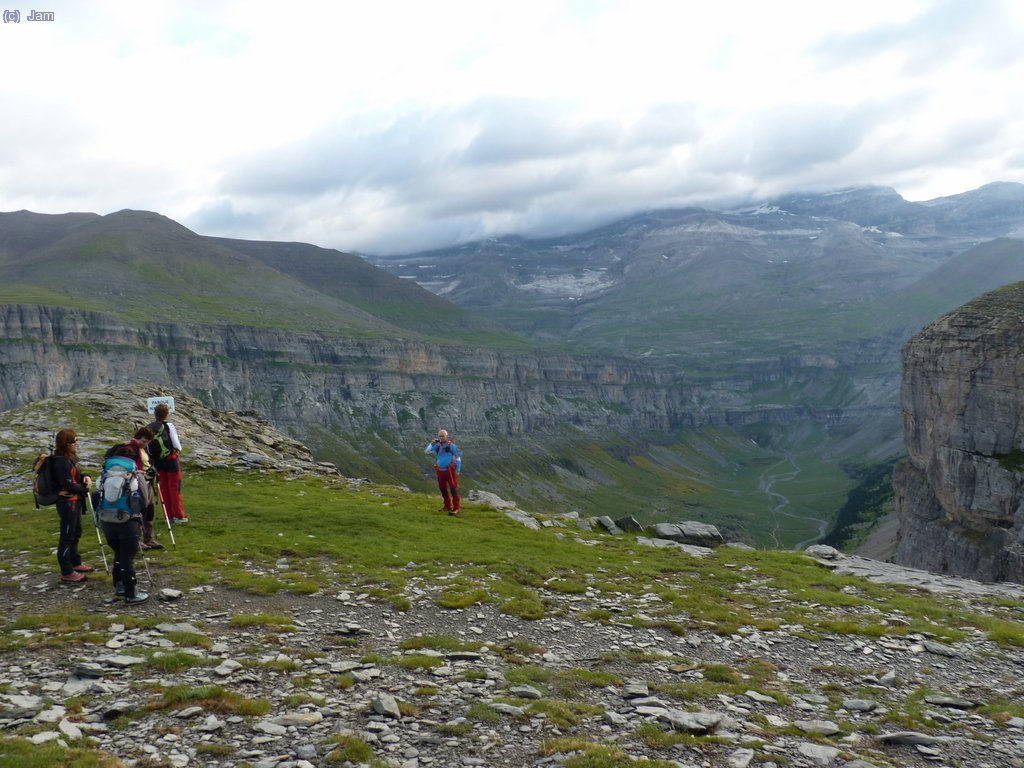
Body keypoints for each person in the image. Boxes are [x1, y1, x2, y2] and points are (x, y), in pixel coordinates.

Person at [98, 443, 151, 604]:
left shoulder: (104, 475)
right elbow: (145, 501)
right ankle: (131, 592)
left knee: (118, 552)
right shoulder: (135, 475)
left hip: (107, 519)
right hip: (128, 520)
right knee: (128, 555)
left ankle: (119, 585)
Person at [52, 429, 94, 584]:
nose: (77, 444)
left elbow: (76, 476)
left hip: (74, 501)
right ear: (66, 444)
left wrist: (86, 477)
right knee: (67, 534)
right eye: (74, 441)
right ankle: (67, 571)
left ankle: (75, 562)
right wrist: (85, 488)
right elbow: (67, 484)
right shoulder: (61, 462)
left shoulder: (69, 458)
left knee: (76, 531)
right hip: (67, 502)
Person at [147, 403, 187, 523]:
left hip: (158, 462)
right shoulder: (168, 425)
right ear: (166, 414)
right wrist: (178, 451)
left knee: (163, 488)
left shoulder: (149, 427)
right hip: (171, 460)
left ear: (155, 414)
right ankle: (179, 516)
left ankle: (168, 516)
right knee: (174, 488)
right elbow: (176, 444)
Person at [127, 426, 162, 549]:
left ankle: (149, 538)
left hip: (147, 482)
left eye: (147, 442)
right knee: (140, 509)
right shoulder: (130, 449)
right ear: (137, 437)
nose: (145, 443)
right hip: (137, 483)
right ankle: (138, 539)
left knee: (149, 510)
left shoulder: (142, 449)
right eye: (143, 441)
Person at [425, 429, 462, 516]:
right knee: (443, 489)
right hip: (440, 471)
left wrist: (458, 470)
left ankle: (456, 508)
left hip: (450, 471)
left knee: (453, 489)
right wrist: (432, 443)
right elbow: (426, 451)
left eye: (443, 436)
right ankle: (447, 506)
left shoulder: (451, 446)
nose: (441, 438)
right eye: (440, 436)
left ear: (446, 436)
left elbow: (458, 458)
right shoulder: (437, 445)